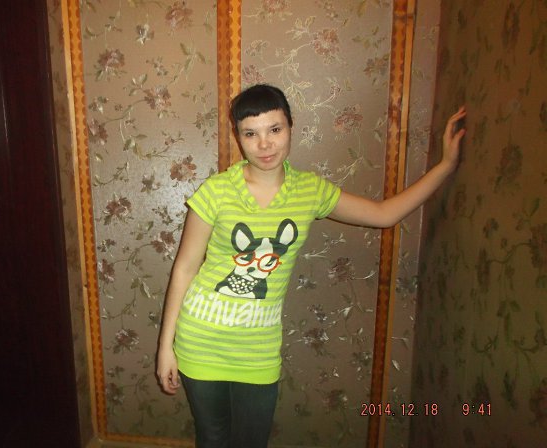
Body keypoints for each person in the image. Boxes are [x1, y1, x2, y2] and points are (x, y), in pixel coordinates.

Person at [156, 84, 466, 448]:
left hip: (258, 350)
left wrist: (445, 166)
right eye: (251, 134)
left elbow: (383, 214)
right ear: (238, 137)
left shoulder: (310, 191)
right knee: (212, 439)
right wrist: (166, 347)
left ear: (291, 126)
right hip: (201, 340)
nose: (264, 144)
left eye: (274, 129)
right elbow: (185, 269)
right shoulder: (216, 191)